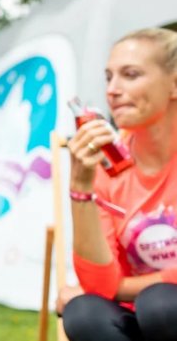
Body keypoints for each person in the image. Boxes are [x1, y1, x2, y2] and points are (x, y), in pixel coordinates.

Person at [62, 28, 177, 341]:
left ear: (174, 84)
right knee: (83, 313)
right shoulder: (110, 165)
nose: (112, 90)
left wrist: (121, 287)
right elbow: (99, 286)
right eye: (109, 77)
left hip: (162, 310)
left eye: (130, 75)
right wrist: (81, 186)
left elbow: (115, 287)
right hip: (141, 314)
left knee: (160, 304)